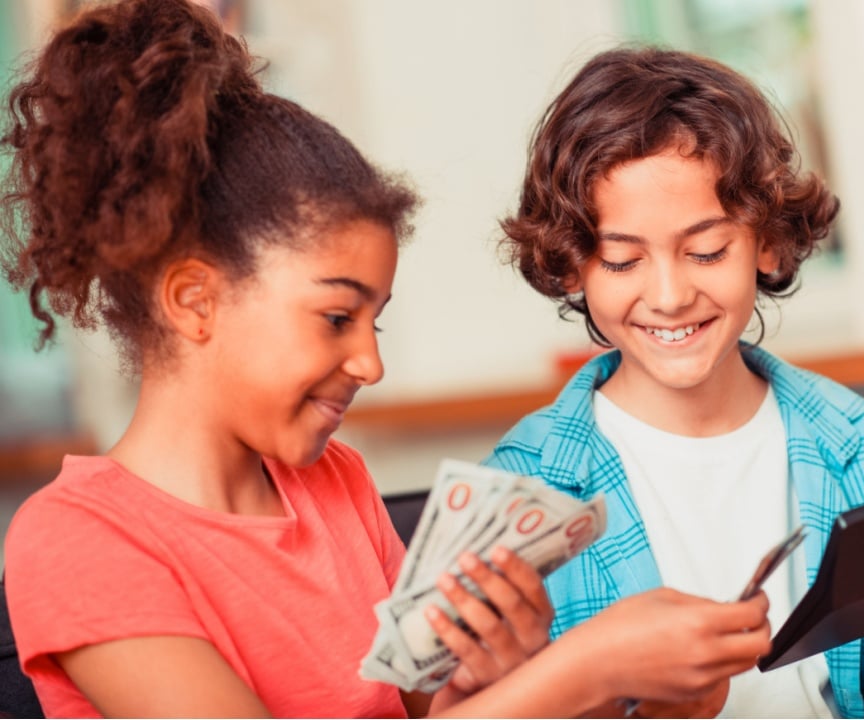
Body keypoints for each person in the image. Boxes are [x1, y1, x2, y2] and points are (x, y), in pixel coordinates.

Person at [0, 3, 770, 717]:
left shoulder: (337, 485)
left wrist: (555, 684)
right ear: (195, 301)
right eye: (337, 317)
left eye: (376, 322)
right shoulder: (79, 540)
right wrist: (580, 671)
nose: (369, 363)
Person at [489, 46, 864, 718]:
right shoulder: (524, 487)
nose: (669, 295)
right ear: (572, 266)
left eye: (706, 251)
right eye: (621, 260)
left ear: (767, 242)